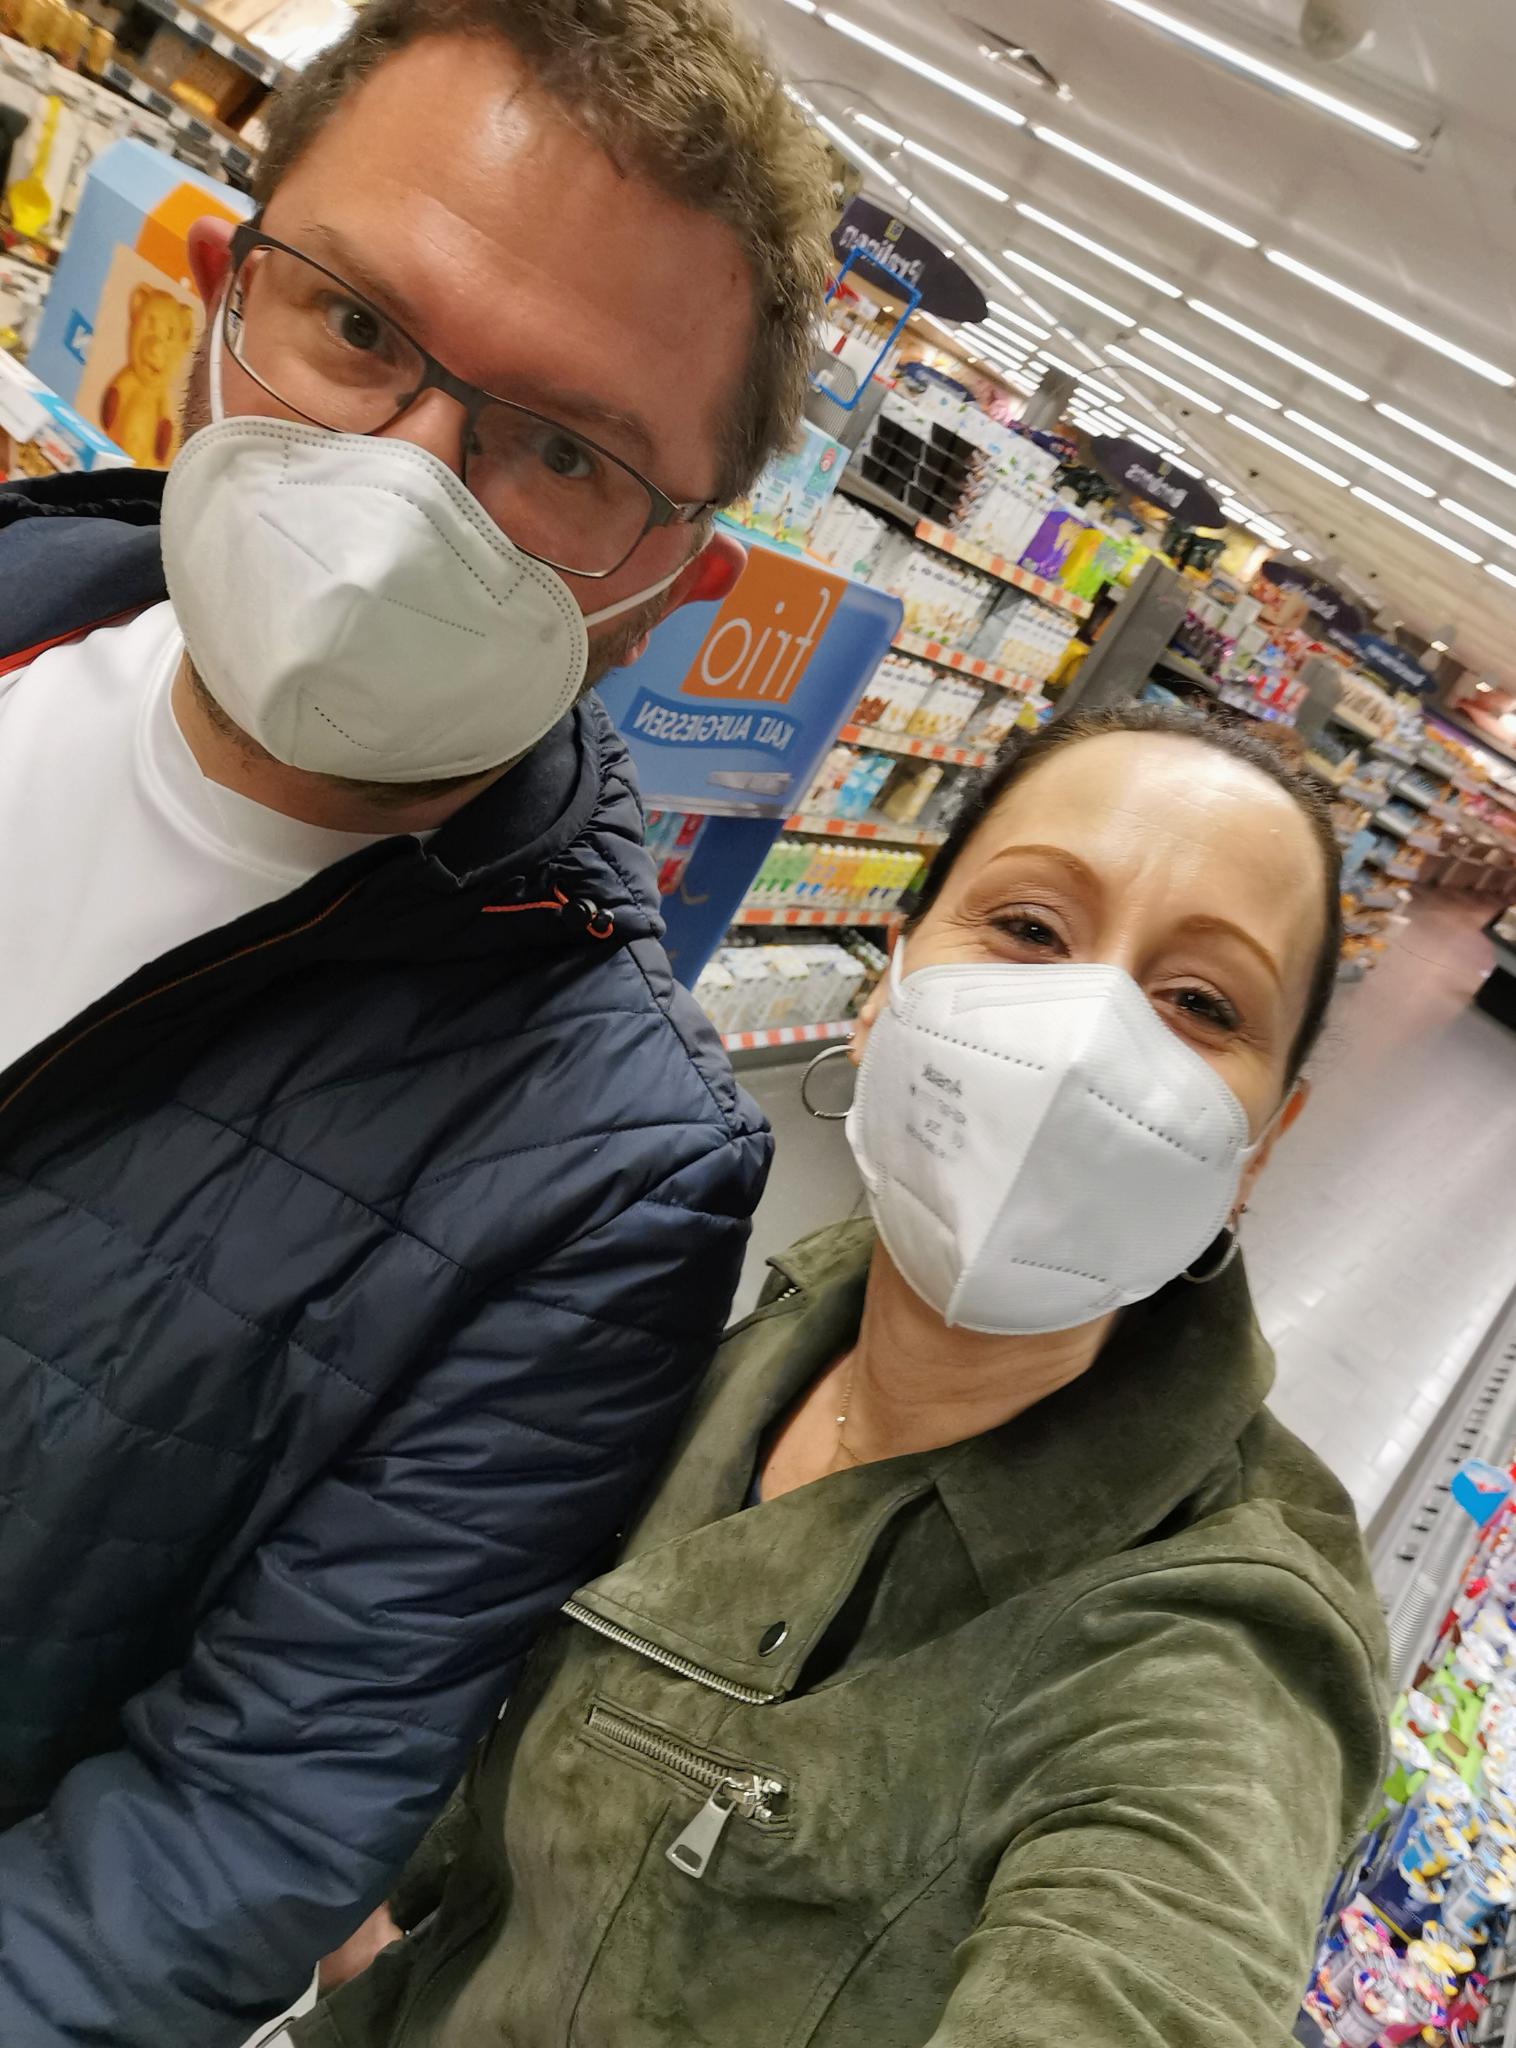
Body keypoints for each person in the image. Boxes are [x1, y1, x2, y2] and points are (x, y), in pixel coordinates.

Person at [0, 2, 834, 2040]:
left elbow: (233, 1824)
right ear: (226, 289)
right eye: (360, 325)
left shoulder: (606, 1178)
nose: (402, 483)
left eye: (563, 452)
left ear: (674, 584)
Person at [298, 704, 1391, 2048]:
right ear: (889, 987)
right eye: (1030, 928)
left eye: (1203, 1005)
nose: (1085, 1041)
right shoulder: (743, 1329)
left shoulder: (1213, 1642)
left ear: (1261, 1141)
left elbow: (1158, 1956)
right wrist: (367, 1921)